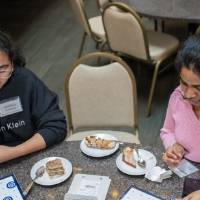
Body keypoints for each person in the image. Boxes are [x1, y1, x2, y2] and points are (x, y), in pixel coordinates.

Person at [0, 30, 67, 163]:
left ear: (12, 63)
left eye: (2, 69)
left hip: (31, 152)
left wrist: (14, 152)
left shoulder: (25, 80)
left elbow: (56, 125)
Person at [160, 34, 200, 166]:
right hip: (185, 170)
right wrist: (174, 147)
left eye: (198, 87)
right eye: (184, 83)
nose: (188, 94)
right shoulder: (177, 97)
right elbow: (167, 131)